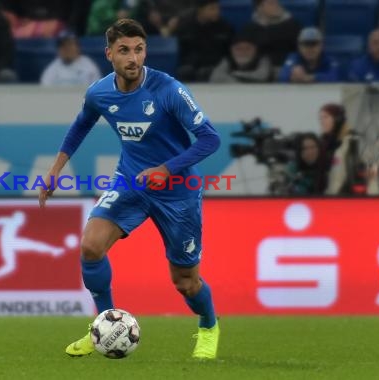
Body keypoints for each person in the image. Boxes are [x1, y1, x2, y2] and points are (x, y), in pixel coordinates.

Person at [39, 19, 221, 359]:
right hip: (131, 181)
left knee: (185, 281)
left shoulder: (169, 90)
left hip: (178, 191)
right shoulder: (99, 93)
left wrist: (168, 169)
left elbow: (211, 139)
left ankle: (209, 325)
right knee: (91, 246)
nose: (133, 58)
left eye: (138, 50)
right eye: (124, 51)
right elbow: (81, 125)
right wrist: (54, 170)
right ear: (109, 54)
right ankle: (103, 326)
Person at [174, 0, 234, 82]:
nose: (217, 12)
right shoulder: (185, 27)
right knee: (185, 72)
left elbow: (230, 51)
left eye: (218, 9)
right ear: (200, 10)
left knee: (206, 72)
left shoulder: (225, 27)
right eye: (212, 9)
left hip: (215, 66)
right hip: (191, 65)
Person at [240, 0, 301, 70]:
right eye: (271, 3)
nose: (277, 6)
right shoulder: (249, 29)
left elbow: (301, 50)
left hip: (287, 69)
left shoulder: (293, 25)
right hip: (258, 71)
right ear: (259, 8)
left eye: (277, 2)